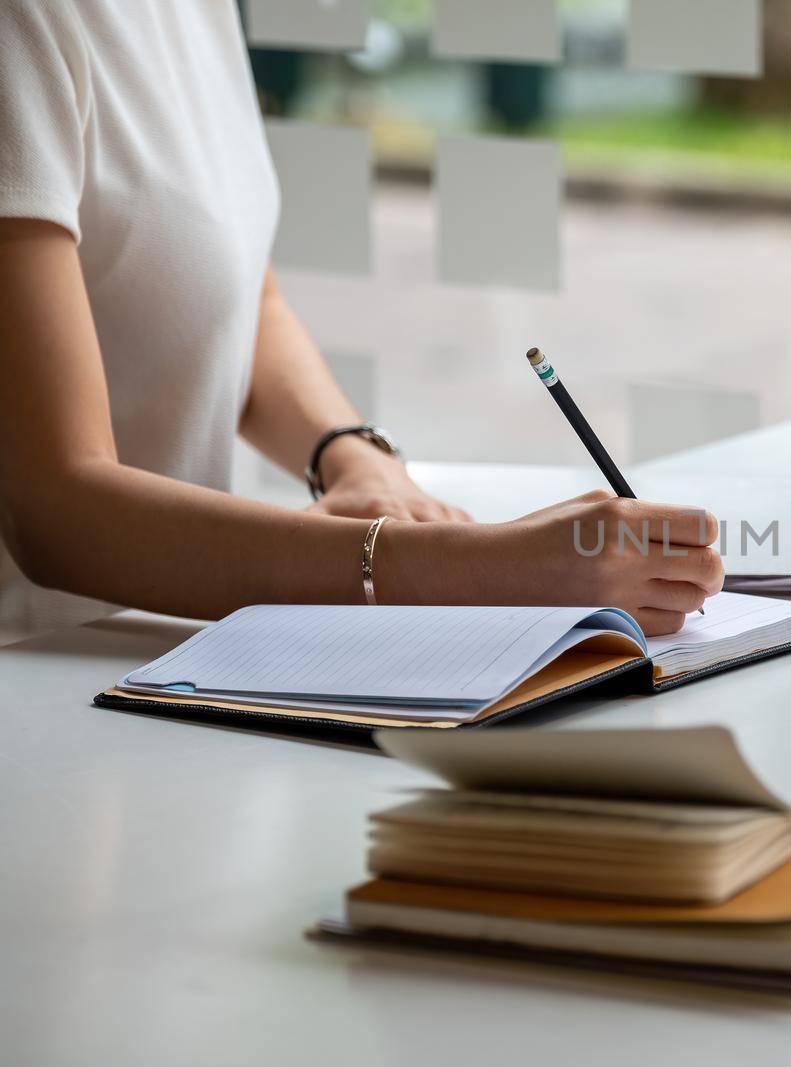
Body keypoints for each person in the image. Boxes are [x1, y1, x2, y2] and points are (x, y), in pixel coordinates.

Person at [0, 1, 721, 646]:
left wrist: (353, 456)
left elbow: (239, 297)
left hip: (156, 653)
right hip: (37, 681)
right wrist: (486, 571)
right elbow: (55, 507)